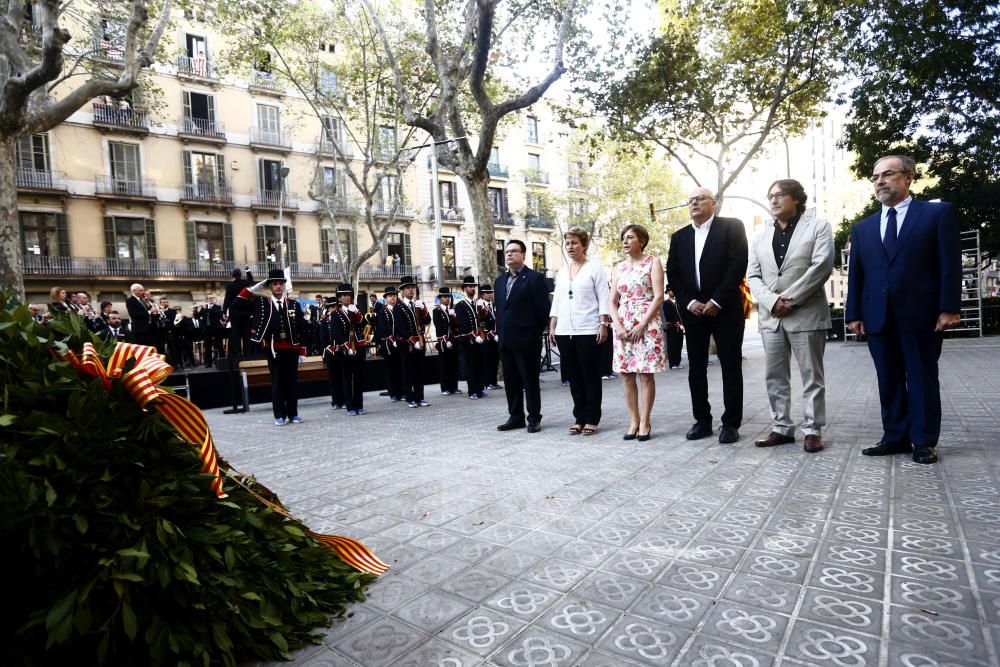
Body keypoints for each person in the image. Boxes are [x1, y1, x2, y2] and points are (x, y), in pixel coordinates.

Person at [845, 155, 962, 464]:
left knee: (922, 377)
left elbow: (949, 266)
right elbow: (857, 274)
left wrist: (949, 307)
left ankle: (923, 441)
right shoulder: (863, 227)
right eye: (875, 177)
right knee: (888, 377)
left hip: (921, 314)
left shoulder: (937, 214)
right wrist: (853, 313)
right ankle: (894, 436)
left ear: (909, 177)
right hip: (877, 316)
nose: (880, 181)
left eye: (887, 174)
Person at [747, 179, 834, 453]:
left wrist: (790, 300)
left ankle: (812, 429)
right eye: (770, 195)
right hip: (771, 317)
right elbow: (753, 276)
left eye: (779, 195)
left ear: (796, 199)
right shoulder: (759, 237)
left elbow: (821, 267)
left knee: (812, 376)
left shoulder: (818, 227)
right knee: (774, 376)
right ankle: (782, 428)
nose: (773, 200)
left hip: (806, 314)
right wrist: (773, 302)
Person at [666, 187, 749, 444]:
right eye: (690, 200)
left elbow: (738, 264)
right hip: (694, 313)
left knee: (730, 366)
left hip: (726, 309)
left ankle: (730, 424)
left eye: (699, 199)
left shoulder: (732, 227)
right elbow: (674, 273)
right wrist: (689, 302)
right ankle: (702, 420)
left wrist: (716, 300)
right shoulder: (679, 237)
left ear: (714, 203)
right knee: (696, 368)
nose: (694, 204)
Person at [548, 226, 611, 436]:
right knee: (573, 376)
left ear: (584, 245)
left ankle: (592, 418)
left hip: (588, 328)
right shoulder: (563, 271)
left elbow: (604, 296)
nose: (570, 246)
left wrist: (603, 323)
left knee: (589, 375)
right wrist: (553, 325)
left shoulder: (595, 268)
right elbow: (557, 299)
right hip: (565, 330)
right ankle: (579, 417)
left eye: (574, 242)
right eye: (567, 243)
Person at [609, 224, 665, 441]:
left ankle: (645, 421)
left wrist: (642, 324)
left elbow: (659, 297)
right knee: (626, 375)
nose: (625, 241)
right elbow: (612, 301)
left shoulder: (653, 262)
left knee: (645, 374)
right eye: (623, 237)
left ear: (641, 241)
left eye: (630, 237)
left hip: (646, 323)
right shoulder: (618, 268)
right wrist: (618, 325)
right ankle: (633, 419)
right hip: (623, 323)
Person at [494, 239, 550, 432]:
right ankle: (515, 416)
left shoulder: (534, 279)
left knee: (530, 381)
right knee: (511, 381)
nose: (508, 254)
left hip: (527, 341)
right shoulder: (499, 281)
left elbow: (543, 310)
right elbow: (500, 310)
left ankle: (534, 417)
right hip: (506, 341)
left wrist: (533, 333)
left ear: (523, 255)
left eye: (513, 251)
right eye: (507, 251)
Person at [238, 269, 306, 425]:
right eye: (275, 284)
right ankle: (279, 415)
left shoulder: (293, 304)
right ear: (269, 287)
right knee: (277, 383)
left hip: (292, 350)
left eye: (281, 284)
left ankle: (293, 413)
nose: (278, 287)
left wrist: (302, 350)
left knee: (291, 383)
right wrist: (252, 289)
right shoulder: (262, 303)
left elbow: (302, 328)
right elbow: (238, 304)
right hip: (274, 350)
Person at [393, 276, 431, 407]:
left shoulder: (417, 304)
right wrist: (412, 340)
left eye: (412, 288)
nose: (410, 290)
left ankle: (420, 397)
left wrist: (424, 310)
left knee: (420, 371)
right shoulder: (398, 307)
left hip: (420, 342)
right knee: (408, 371)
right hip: (406, 344)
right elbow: (400, 327)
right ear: (402, 292)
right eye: (407, 288)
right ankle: (410, 398)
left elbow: (427, 321)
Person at [330, 284, 368, 415]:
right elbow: (336, 333)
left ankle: (359, 405)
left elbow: (364, 324)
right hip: (345, 350)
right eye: (344, 295)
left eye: (349, 295)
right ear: (339, 298)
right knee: (347, 378)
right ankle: (350, 406)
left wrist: (357, 313)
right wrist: (346, 346)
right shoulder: (336, 314)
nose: (347, 297)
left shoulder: (355, 310)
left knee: (359, 378)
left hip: (360, 347)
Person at [455, 276, 486, 399]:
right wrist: (474, 335)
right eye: (469, 286)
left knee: (480, 364)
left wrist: (484, 311)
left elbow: (482, 321)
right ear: (464, 289)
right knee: (471, 365)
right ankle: (472, 390)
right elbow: (463, 325)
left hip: (479, 338)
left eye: (473, 286)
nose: (472, 288)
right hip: (468, 340)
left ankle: (480, 389)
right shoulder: (461, 305)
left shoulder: (478, 304)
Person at [376, 286, 404, 402]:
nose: (393, 297)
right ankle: (393, 393)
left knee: (401, 368)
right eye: (390, 296)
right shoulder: (382, 311)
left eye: (394, 295)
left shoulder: (400, 309)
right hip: (388, 344)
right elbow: (382, 329)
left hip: (400, 343)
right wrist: (391, 339)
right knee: (391, 369)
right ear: (386, 298)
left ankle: (402, 392)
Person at [319, 298, 347, 410]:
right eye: (332, 307)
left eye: (336, 307)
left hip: (342, 351)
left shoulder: (343, 319)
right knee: (333, 378)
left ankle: (345, 400)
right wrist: (330, 348)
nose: (335, 309)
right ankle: (336, 401)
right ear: (328, 309)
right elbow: (322, 339)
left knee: (343, 377)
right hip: (331, 353)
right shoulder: (325, 321)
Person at [433, 287, 461, 395]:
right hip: (444, 342)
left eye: (448, 297)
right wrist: (445, 340)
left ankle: (454, 387)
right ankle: (445, 388)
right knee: (444, 366)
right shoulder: (437, 311)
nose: (447, 299)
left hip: (453, 341)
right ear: (440, 299)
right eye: (445, 297)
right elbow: (438, 327)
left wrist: (454, 317)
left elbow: (456, 327)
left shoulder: (452, 310)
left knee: (454, 365)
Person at [223, 266, 254, 357]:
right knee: (246, 334)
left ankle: (237, 353)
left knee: (236, 334)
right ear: (241, 275)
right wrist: (248, 271)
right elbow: (252, 282)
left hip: (234, 313)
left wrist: (225, 312)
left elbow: (227, 300)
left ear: (232, 275)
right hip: (246, 313)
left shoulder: (229, 286)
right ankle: (247, 353)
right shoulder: (246, 283)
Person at [479, 285, 501, 390]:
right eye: (487, 293)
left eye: (491, 292)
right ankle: (487, 383)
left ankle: (493, 381)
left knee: (495, 360)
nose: (490, 294)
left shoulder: (493, 305)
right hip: (487, 337)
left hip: (496, 337)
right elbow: (482, 322)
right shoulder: (480, 306)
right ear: (482, 294)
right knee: (487, 361)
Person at [661, 288, 684, 369]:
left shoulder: (678, 302)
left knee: (679, 344)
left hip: (680, 327)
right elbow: (669, 316)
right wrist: (677, 323)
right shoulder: (666, 303)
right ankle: (672, 363)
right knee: (672, 345)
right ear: (668, 292)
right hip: (672, 328)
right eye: (671, 290)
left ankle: (678, 362)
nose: (673, 292)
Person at [202, 294, 224, 367]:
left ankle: (222, 361)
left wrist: (207, 309)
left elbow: (218, 314)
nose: (211, 299)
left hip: (216, 328)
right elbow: (198, 316)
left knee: (219, 345)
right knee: (208, 346)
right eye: (209, 298)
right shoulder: (204, 308)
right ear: (207, 299)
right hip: (207, 329)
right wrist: (196, 310)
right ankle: (208, 363)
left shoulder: (217, 307)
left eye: (212, 298)